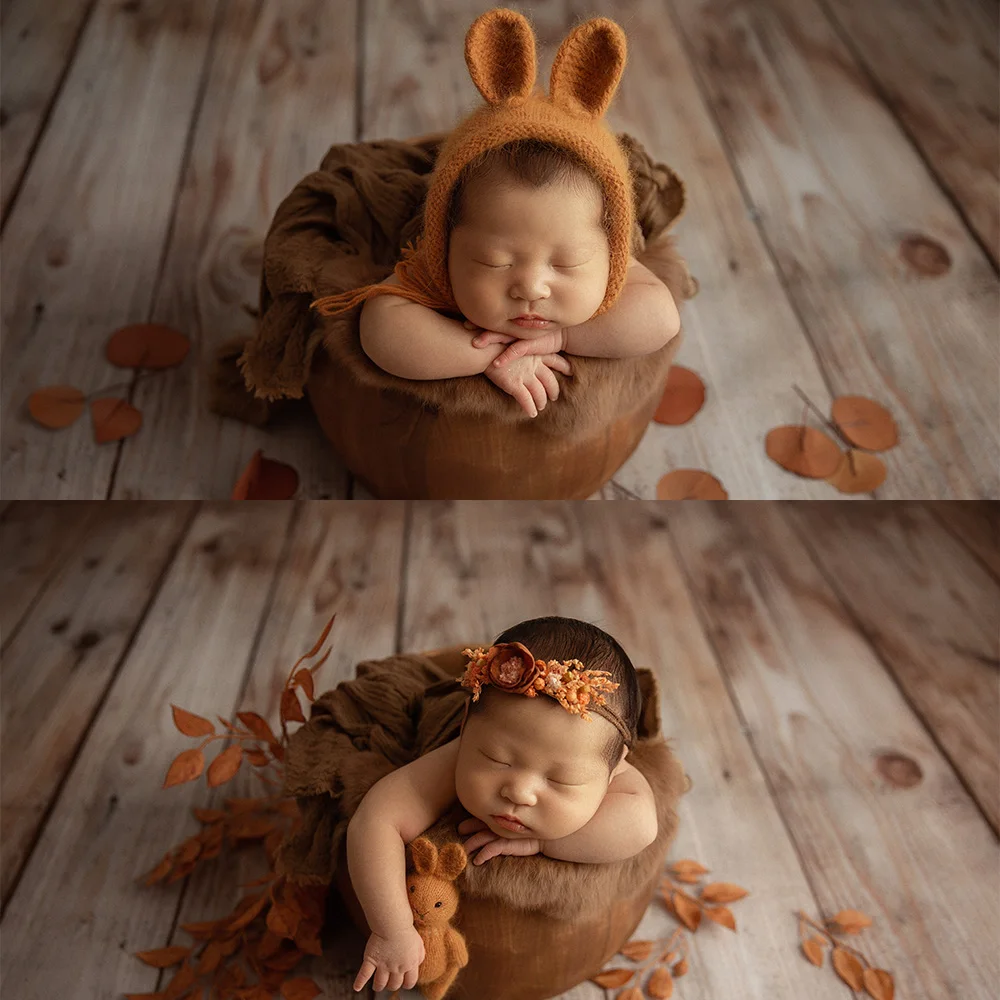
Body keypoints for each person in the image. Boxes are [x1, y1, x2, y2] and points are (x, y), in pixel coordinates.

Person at [309, 8, 680, 418]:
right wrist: (488, 357)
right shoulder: (436, 267)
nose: (531, 288)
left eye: (567, 262)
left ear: (610, 246)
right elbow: (381, 332)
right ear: (446, 240)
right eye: (495, 262)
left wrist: (564, 337)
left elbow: (660, 318)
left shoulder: (610, 265)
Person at [346, 616, 658, 994]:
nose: (519, 792)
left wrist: (544, 843)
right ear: (465, 729)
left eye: (561, 780)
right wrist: (392, 929)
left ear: (614, 769)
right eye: (496, 759)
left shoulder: (606, 760)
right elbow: (375, 820)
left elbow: (642, 826)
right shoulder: (456, 752)